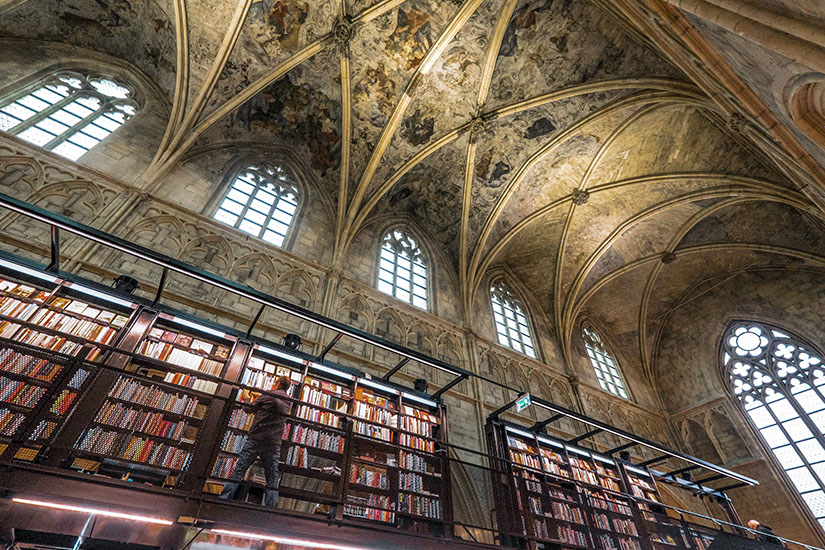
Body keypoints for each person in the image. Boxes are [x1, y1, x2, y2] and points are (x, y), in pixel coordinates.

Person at [220, 376, 293, 507]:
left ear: (276, 383)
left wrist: (247, 396)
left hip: (257, 437)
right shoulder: (289, 402)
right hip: (274, 441)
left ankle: (224, 498)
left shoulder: (268, 394)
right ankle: (271, 506)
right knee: (272, 476)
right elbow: (274, 405)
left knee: (240, 469)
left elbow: (249, 409)